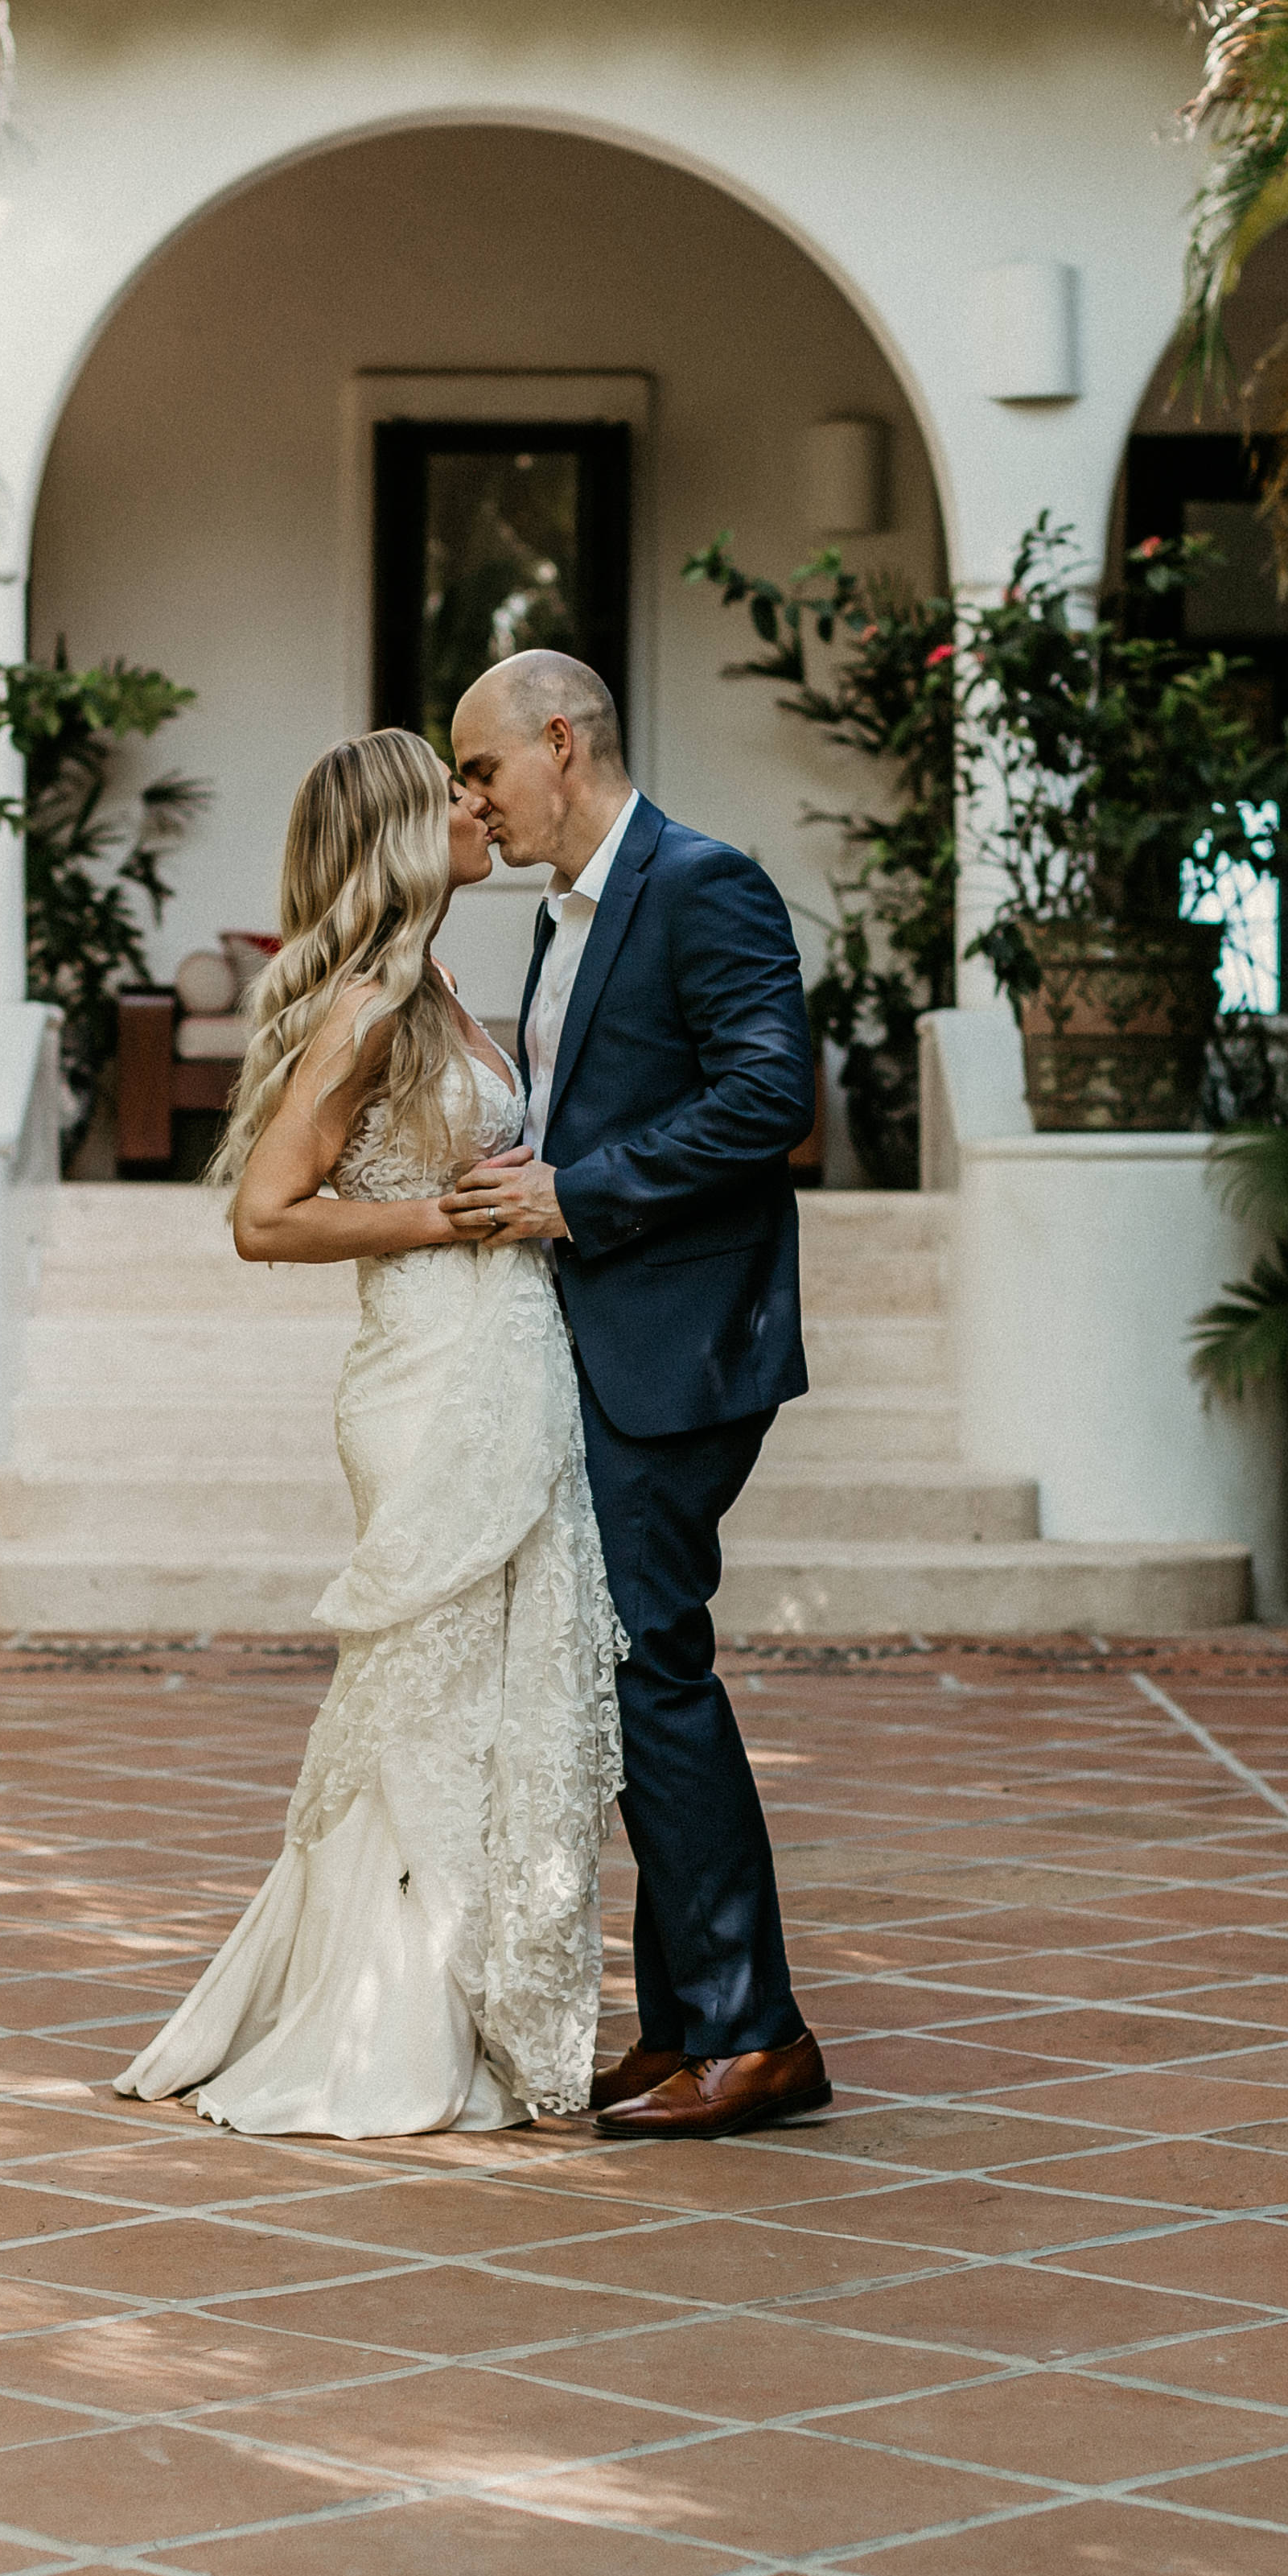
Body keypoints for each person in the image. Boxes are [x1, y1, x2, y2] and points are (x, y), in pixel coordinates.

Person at [114, 728, 621, 2134]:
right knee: (427, 1704)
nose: (478, 808)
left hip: (505, 1356)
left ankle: (469, 1998)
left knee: (493, 1706)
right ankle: (388, 2023)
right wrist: (444, 1218)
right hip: (428, 1371)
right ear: (400, 833)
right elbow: (264, 1216)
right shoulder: (370, 1003)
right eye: (452, 794)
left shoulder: (437, 979)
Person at [437, 650, 828, 2141]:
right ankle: (684, 2028)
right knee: (629, 1667)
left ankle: (757, 2034)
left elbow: (768, 1098)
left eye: (483, 770)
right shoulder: (562, 914)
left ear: (560, 741)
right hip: (600, 1332)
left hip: (684, 1342)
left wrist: (574, 1196)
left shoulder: (705, 883)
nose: (474, 802)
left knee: (650, 1664)